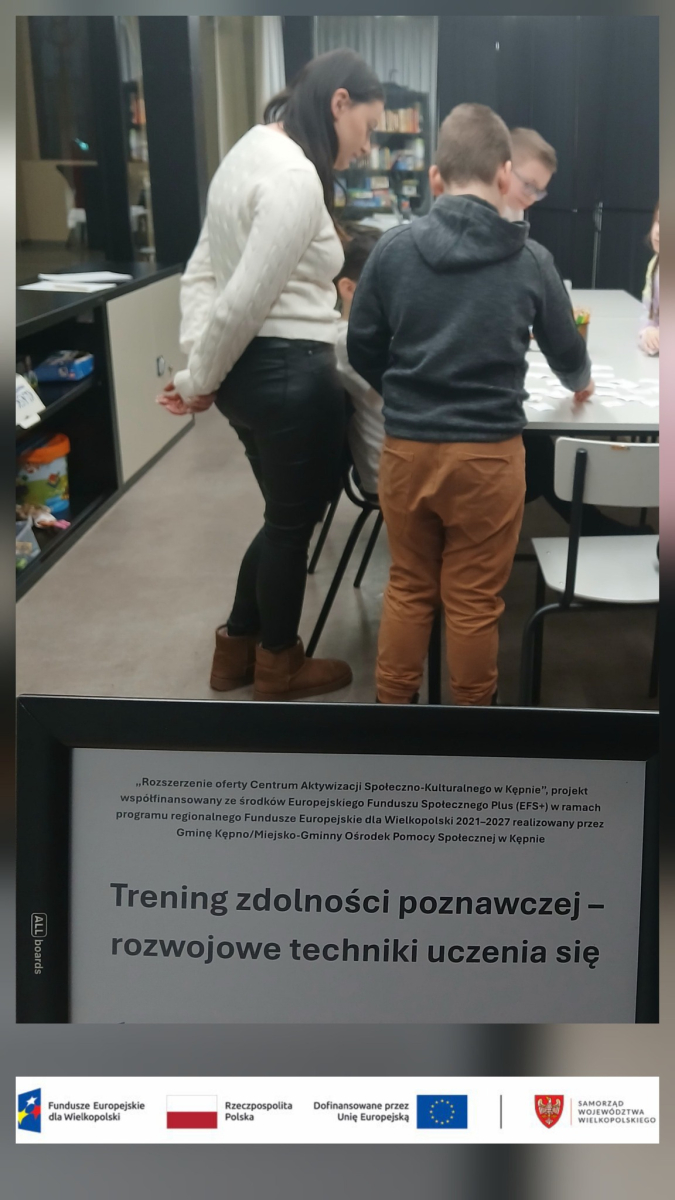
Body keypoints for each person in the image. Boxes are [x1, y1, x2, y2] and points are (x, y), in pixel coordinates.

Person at [347, 103, 594, 706]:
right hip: (489, 457)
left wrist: (403, 393)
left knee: (409, 587)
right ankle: (470, 725)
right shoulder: (532, 260)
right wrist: (579, 381)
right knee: (474, 601)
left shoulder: (392, 250)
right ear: (505, 174)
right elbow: (566, 350)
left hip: (407, 451)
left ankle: (390, 715)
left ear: (436, 177)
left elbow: (361, 346)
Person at [156, 50, 384, 701]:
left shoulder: (246, 154)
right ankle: (279, 662)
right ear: (339, 103)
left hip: (250, 380)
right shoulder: (293, 177)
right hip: (291, 375)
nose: (367, 146)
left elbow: (202, 274)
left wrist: (203, 366)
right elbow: (243, 300)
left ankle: (235, 651)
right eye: (368, 127)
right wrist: (197, 378)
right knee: (291, 524)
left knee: (283, 516)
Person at [334, 230, 385, 500]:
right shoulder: (350, 342)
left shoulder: (341, 334)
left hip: (392, 464)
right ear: (349, 288)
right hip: (391, 474)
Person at [639, 203, 659, 356]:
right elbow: (647, 313)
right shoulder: (654, 265)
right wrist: (647, 333)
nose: (658, 231)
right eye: (658, 222)